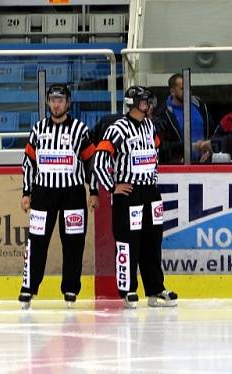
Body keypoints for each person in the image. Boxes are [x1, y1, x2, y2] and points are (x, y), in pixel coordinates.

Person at [93, 86, 178, 309]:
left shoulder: (150, 126)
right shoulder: (117, 128)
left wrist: (153, 178)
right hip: (129, 194)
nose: (148, 105)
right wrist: (112, 187)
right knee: (128, 242)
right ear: (134, 103)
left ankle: (155, 289)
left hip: (150, 192)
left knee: (153, 241)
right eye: (144, 101)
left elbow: (156, 153)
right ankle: (128, 289)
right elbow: (99, 160)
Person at [18, 84, 99, 310]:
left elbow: (90, 163)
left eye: (60, 100)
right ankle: (29, 287)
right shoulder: (38, 129)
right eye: (52, 100)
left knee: (73, 243)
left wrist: (93, 191)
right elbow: (29, 163)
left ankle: (71, 288)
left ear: (68, 103)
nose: (56, 104)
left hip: (72, 193)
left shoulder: (80, 130)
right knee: (36, 241)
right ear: (47, 102)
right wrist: (26, 192)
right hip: (43, 193)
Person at [153, 73, 212, 164]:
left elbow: (212, 133)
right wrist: (187, 149)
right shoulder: (163, 113)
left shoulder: (200, 106)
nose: (188, 91)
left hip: (204, 163)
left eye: (189, 88)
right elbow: (163, 145)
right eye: (183, 89)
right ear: (172, 91)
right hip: (178, 166)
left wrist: (209, 150)